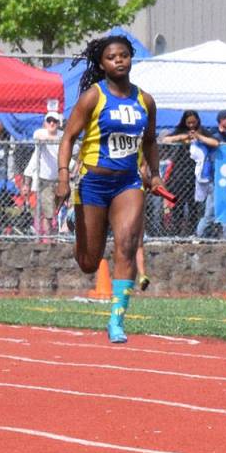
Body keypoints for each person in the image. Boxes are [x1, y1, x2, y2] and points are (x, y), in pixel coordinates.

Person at [54, 35, 166, 344]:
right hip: (93, 182)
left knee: (127, 246)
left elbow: (150, 140)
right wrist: (63, 176)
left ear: (131, 59)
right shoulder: (94, 96)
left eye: (123, 55)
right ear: (102, 64)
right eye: (111, 57)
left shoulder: (145, 100)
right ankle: (80, 224)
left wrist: (154, 174)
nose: (118, 61)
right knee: (89, 263)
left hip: (128, 182)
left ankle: (117, 321)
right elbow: (68, 138)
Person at [195, 109, 226, 239]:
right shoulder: (212, 135)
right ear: (222, 120)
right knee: (210, 213)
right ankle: (199, 236)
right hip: (215, 179)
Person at [24, 111, 63, 238]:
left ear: (59, 123)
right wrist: (57, 140)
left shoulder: (63, 135)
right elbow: (38, 136)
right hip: (45, 180)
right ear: (45, 123)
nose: (52, 123)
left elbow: (74, 149)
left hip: (61, 179)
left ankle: (57, 235)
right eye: (49, 120)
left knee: (59, 210)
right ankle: (48, 238)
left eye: (55, 121)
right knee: (48, 213)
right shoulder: (41, 132)